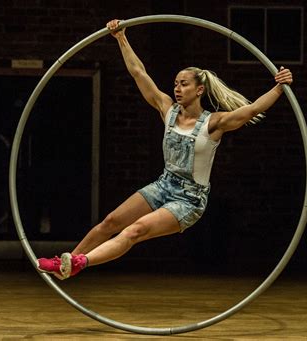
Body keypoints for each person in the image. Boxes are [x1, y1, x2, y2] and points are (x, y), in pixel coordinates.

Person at [37, 19, 293, 280]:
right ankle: (66, 264)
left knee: (134, 231)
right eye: (175, 84)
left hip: (189, 199)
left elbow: (253, 109)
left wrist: (279, 86)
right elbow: (139, 73)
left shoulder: (214, 123)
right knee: (111, 222)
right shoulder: (167, 110)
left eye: (184, 84)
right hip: (164, 185)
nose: (177, 88)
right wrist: (121, 38)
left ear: (199, 89)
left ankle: (83, 261)